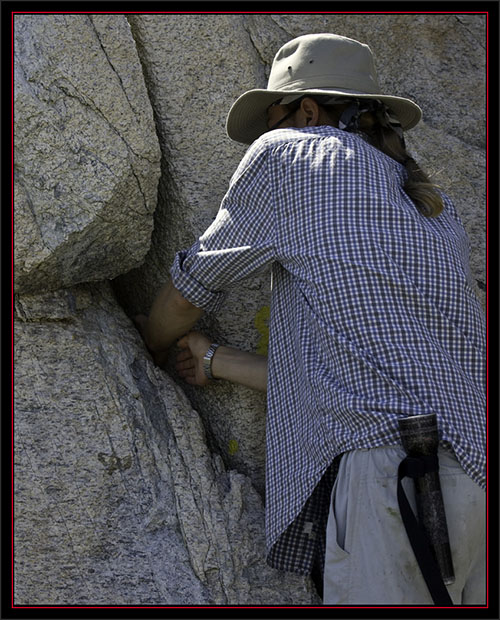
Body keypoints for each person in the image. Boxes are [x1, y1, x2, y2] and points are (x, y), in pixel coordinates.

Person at [135, 33, 486, 605]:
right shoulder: (427, 206)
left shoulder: (291, 156)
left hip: (392, 484)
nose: (264, 136)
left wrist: (145, 342)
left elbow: (190, 290)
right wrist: (213, 360)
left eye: (272, 119)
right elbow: (350, 369)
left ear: (305, 109)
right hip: (473, 472)